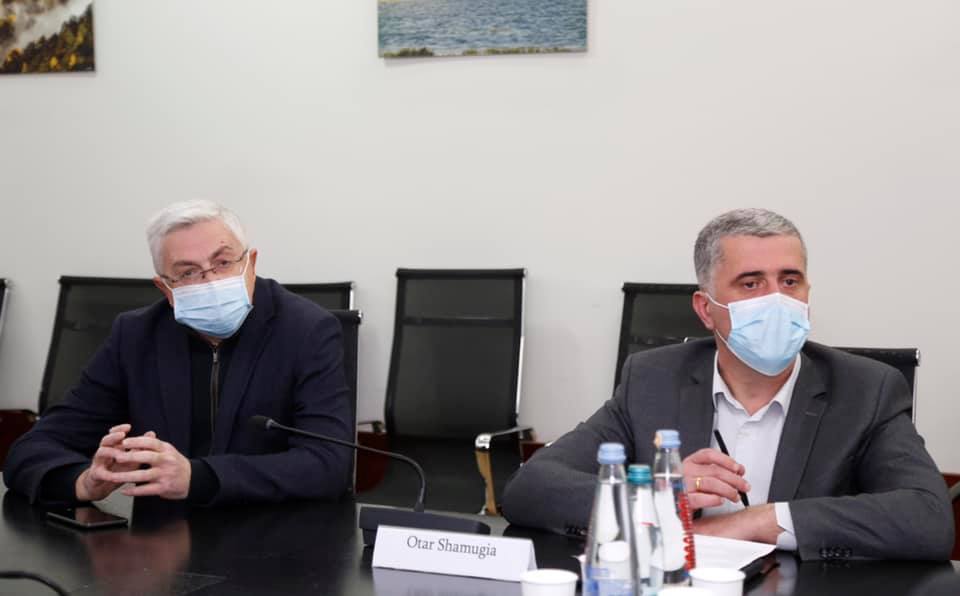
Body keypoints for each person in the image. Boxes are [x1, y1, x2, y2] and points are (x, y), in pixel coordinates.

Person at [501, 208, 954, 560]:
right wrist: (654, 497)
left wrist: (760, 521)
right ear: (706, 309)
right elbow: (530, 489)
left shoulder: (866, 389)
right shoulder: (653, 379)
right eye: (751, 284)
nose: (776, 299)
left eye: (789, 280)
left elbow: (929, 519)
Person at [3, 200, 353, 505]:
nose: (211, 281)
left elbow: (329, 463)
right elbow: (33, 449)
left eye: (223, 262)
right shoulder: (136, 336)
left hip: (277, 538)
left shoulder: (307, 330)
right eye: (188, 272)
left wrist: (197, 478)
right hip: (162, 540)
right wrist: (82, 481)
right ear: (165, 288)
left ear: (251, 262)